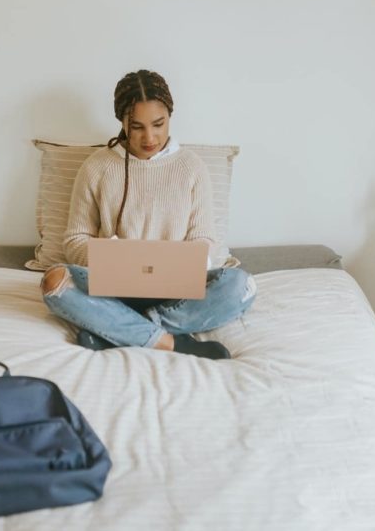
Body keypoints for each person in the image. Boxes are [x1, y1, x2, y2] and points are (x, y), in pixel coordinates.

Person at [40, 70, 256, 359]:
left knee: (241, 286)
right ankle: (173, 342)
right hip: (111, 288)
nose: (149, 137)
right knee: (54, 281)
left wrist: (187, 265)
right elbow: (75, 238)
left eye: (158, 124)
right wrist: (111, 256)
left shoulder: (192, 167)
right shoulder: (96, 167)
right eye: (137, 126)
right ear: (122, 122)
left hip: (177, 292)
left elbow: (203, 237)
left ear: (170, 116)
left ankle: (118, 330)